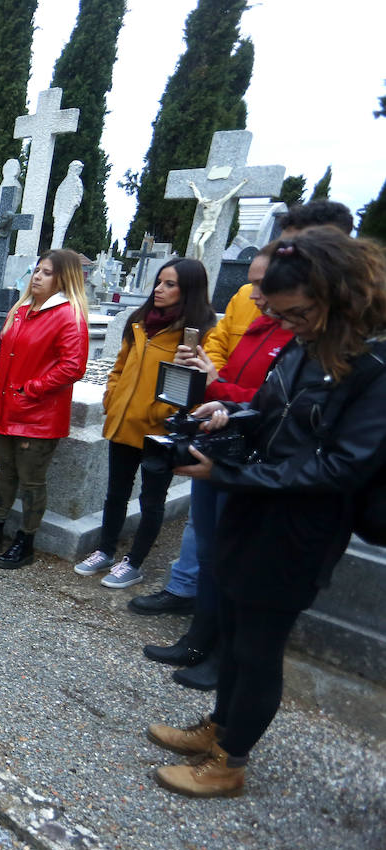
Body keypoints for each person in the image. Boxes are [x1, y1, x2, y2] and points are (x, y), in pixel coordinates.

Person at [147, 227, 386, 798]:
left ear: (340, 295)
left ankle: (232, 759)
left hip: (301, 528)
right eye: (282, 315)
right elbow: (275, 410)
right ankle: (220, 725)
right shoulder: (309, 342)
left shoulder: (375, 366)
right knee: (231, 623)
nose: (290, 324)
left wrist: (228, 473)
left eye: (298, 313)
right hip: (256, 504)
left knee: (256, 646)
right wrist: (231, 414)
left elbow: (341, 468)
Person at [129, 198, 358, 618]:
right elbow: (220, 343)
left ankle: (212, 627)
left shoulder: (321, 334)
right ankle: (193, 608)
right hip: (231, 423)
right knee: (207, 525)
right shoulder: (254, 302)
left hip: (275, 468)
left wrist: (224, 390)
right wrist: (212, 380)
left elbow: (290, 406)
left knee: (241, 561)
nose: (261, 289)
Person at [142, 248, 293, 691]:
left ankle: (220, 649)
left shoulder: (295, 337)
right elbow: (230, 371)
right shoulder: (259, 322)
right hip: (221, 442)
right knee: (207, 546)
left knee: (230, 556)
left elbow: (268, 398)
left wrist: (220, 386)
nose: (253, 293)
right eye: (251, 283)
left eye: (263, 285)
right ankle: (198, 637)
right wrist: (217, 385)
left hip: (251, 456)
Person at [73, 258, 214, 587]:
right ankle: (105, 550)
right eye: (159, 283)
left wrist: (162, 413)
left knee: (151, 500)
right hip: (124, 421)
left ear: (188, 290)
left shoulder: (198, 331)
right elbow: (120, 366)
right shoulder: (139, 322)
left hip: (159, 430)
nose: (159, 290)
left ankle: (134, 562)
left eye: (170, 284)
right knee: (115, 493)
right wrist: (111, 395)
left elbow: (196, 383)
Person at [0, 249, 89, 569]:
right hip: (7, 407)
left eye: (47, 272)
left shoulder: (68, 314)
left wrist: (31, 389)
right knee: (5, 474)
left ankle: (26, 540)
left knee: (31, 480)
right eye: (37, 270)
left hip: (37, 414)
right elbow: (1, 353)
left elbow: (73, 366)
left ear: (63, 278)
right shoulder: (22, 309)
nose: (37, 276)